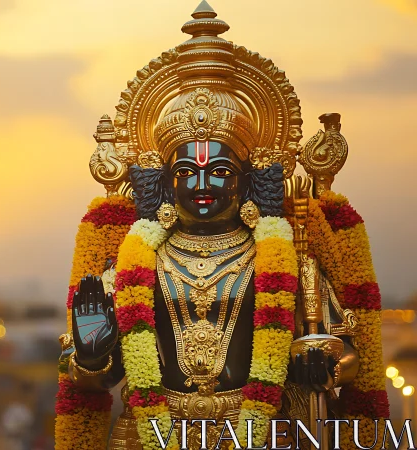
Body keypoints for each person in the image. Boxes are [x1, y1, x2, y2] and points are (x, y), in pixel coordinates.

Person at [54, 2, 387, 449]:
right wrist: (91, 358)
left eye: (220, 171)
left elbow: (349, 357)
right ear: (165, 183)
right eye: (186, 171)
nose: (202, 183)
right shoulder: (133, 261)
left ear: (249, 179)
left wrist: (319, 357)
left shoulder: (287, 258)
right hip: (149, 434)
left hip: (261, 432)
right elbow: (94, 377)